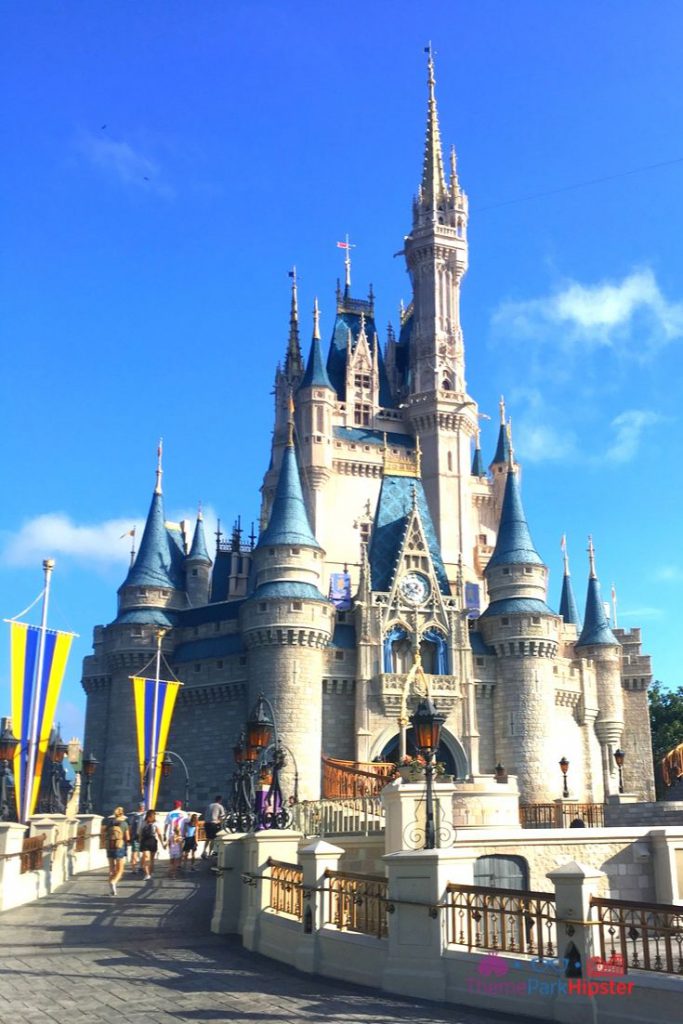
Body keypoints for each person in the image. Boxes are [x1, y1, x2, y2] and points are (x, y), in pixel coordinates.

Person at [104, 805, 130, 896]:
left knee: (111, 868)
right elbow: (127, 837)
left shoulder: (110, 823)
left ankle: (111, 889)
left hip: (109, 846)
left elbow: (105, 833)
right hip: (119, 846)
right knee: (120, 869)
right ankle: (114, 882)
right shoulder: (124, 824)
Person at [139, 809, 165, 881]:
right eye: (150, 816)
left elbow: (159, 834)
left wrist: (162, 843)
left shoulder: (156, 823)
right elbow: (140, 832)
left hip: (152, 841)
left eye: (152, 816)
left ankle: (150, 873)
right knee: (146, 857)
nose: (151, 817)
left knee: (151, 860)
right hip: (144, 841)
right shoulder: (143, 822)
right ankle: (147, 874)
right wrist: (139, 840)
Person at [127, 801, 145, 874]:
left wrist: (129, 837)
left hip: (136, 837)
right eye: (142, 806)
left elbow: (130, 828)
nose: (142, 807)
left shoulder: (134, 816)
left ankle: (134, 869)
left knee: (135, 852)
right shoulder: (145, 815)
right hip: (142, 837)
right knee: (143, 853)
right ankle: (140, 867)